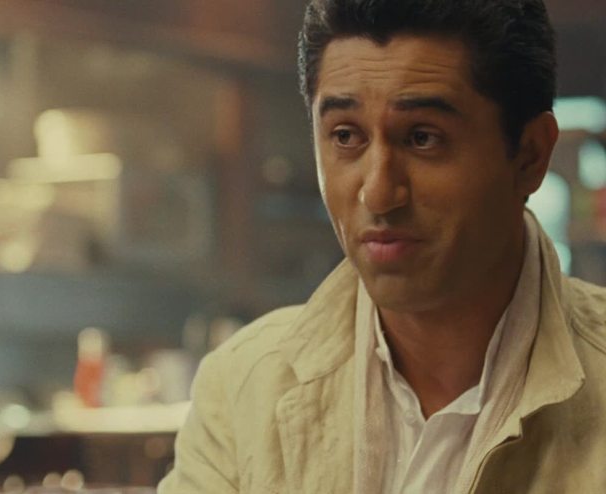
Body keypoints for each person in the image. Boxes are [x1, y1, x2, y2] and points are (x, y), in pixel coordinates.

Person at [158, 0, 606, 492]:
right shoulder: (245, 386)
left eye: (423, 138)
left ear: (530, 156)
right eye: (345, 136)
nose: (378, 192)